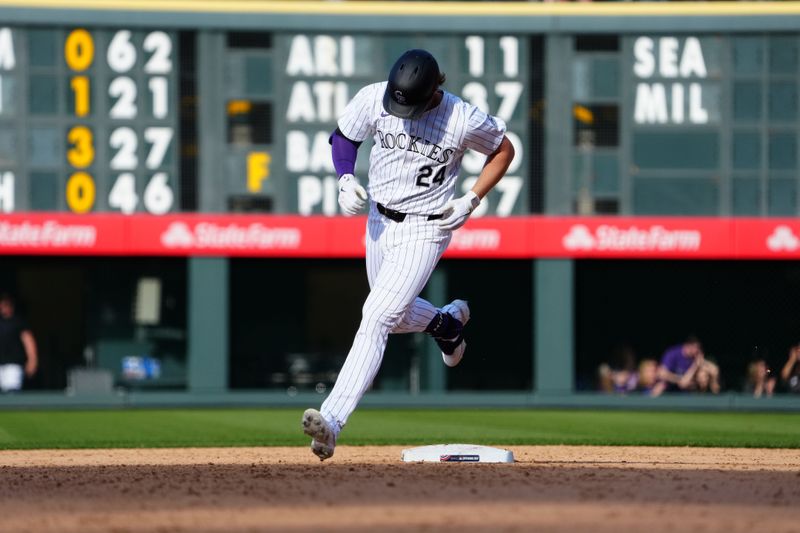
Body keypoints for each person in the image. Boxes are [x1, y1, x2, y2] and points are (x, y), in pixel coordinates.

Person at [301, 49, 515, 460]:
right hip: (379, 221)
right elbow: (344, 136)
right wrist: (345, 178)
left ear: (436, 88)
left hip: (427, 226)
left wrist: (472, 198)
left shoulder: (461, 117)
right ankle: (446, 323)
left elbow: (503, 150)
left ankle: (332, 421)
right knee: (394, 316)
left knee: (377, 316)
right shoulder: (375, 97)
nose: (401, 108)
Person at [0, 293, 38, 392]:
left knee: (11, 392)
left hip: (13, 364)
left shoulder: (19, 323)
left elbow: (28, 341)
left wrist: (32, 360)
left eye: (6, 304)